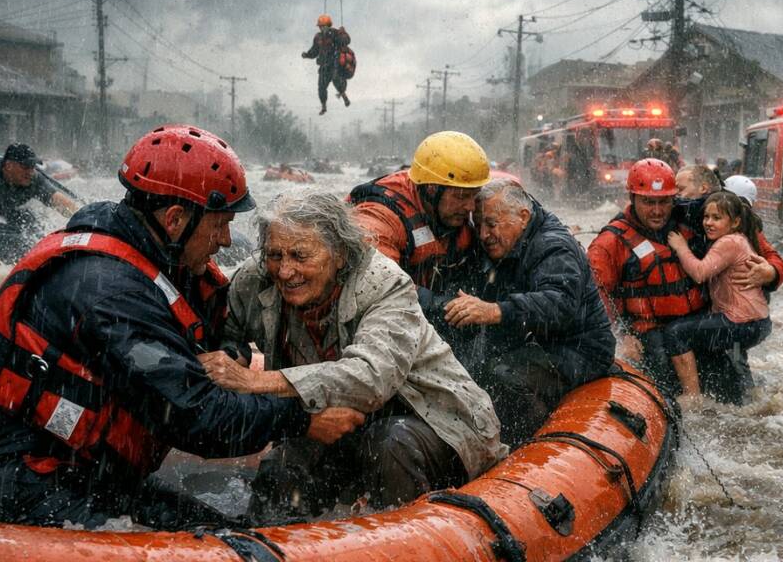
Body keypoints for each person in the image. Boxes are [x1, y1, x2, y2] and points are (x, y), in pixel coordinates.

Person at [0, 125, 365, 529]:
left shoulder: (160, 260)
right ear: (177, 219)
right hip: (20, 480)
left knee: (228, 529)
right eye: (220, 223)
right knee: (221, 546)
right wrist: (301, 418)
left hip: (82, 473)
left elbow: (225, 324)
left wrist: (235, 354)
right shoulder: (110, 293)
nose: (224, 240)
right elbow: (196, 418)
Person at [202, 191, 504, 521]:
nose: (285, 271)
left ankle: (405, 544)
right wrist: (234, 355)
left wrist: (256, 381)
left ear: (340, 254)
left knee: (390, 445)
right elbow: (227, 330)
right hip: (343, 423)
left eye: (300, 256)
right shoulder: (255, 279)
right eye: (275, 255)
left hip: (437, 421)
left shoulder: (384, 283)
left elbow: (371, 377)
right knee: (281, 468)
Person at [587, 160, 783, 403]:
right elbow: (595, 299)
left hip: (701, 331)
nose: (657, 211)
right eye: (648, 202)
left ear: (674, 199)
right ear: (632, 197)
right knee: (668, 394)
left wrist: (772, 271)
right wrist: (621, 334)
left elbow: (766, 250)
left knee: (737, 399)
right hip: (652, 338)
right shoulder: (610, 243)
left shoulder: (700, 218)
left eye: (664, 202)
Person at [437, 179, 614, 444]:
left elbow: (559, 304)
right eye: (480, 224)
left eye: (492, 224)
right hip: (541, 344)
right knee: (474, 368)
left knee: (502, 376)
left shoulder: (554, 246)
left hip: (580, 350)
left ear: (523, 217)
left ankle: (522, 446)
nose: (484, 234)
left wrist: (496, 311)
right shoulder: (509, 242)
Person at [349, 131, 489, 323]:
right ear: (432, 189)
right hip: (381, 318)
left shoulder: (454, 213)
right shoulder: (379, 216)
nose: (471, 207)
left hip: (425, 307)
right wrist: (445, 306)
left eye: (474, 195)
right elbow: (376, 283)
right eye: (461, 196)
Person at [665, 191, 771, 403]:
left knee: (675, 333)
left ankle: (692, 396)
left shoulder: (729, 242)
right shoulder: (737, 239)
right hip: (757, 322)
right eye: (706, 217)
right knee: (729, 359)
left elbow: (699, 272)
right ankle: (747, 397)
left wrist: (681, 247)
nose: (708, 223)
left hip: (743, 323)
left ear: (735, 222)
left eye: (717, 218)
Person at [302, 14, 352, 115]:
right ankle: (324, 106)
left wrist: (343, 33)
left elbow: (346, 41)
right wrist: (307, 55)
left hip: (335, 65)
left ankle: (343, 95)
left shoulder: (335, 33)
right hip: (324, 67)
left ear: (328, 25)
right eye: (320, 26)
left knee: (336, 80)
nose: (322, 28)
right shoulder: (318, 37)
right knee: (321, 87)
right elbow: (314, 51)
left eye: (324, 26)